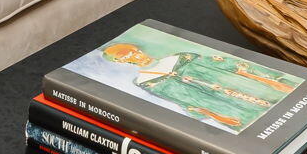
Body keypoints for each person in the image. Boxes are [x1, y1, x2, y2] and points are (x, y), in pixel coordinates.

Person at [102, 42, 292, 129]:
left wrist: (268, 80)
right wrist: (215, 115)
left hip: (249, 87)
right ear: (121, 62)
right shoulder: (146, 82)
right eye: (126, 56)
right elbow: (184, 100)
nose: (136, 56)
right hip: (226, 106)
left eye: (134, 51)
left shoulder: (179, 57)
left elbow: (224, 64)